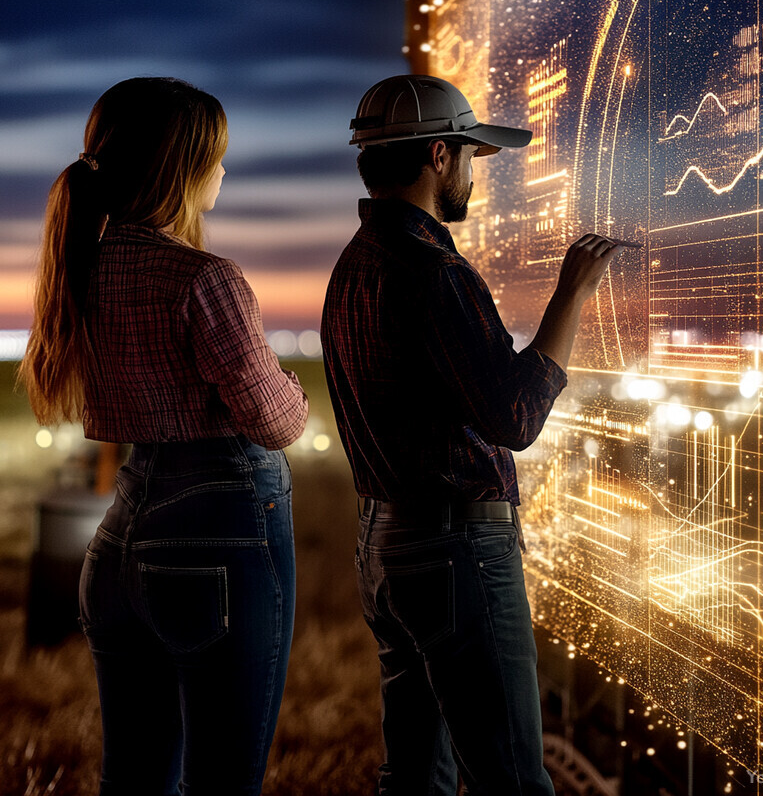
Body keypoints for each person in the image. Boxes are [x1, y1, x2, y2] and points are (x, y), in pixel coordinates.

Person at [321, 74, 626, 795]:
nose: (472, 176)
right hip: (455, 548)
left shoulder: (352, 268)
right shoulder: (432, 273)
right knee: (513, 779)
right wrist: (573, 292)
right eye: (469, 156)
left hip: (386, 547)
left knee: (417, 776)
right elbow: (514, 417)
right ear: (437, 156)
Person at [18, 77, 308, 796]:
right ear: (183, 167)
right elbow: (279, 421)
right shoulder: (206, 279)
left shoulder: (82, 268)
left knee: (136, 781)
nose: (223, 172)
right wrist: (293, 385)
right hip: (219, 545)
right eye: (217, 156)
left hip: (118, 543)